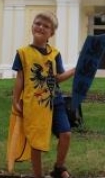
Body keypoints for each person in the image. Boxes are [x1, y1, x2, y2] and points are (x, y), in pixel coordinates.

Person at [9, 11, 75, 178]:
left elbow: (58, 78)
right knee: (36, 142)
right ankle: (38, 175)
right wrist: (16, 100)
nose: (41, 27)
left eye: (46, 26)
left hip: (55, 101)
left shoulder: (55, 54)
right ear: (32, 27)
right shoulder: (23, 53)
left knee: (66, 134)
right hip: (34, 104)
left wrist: (75, 70)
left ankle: (58, 168)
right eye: (38, 23)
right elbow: (20, 79)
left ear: (51, 33)